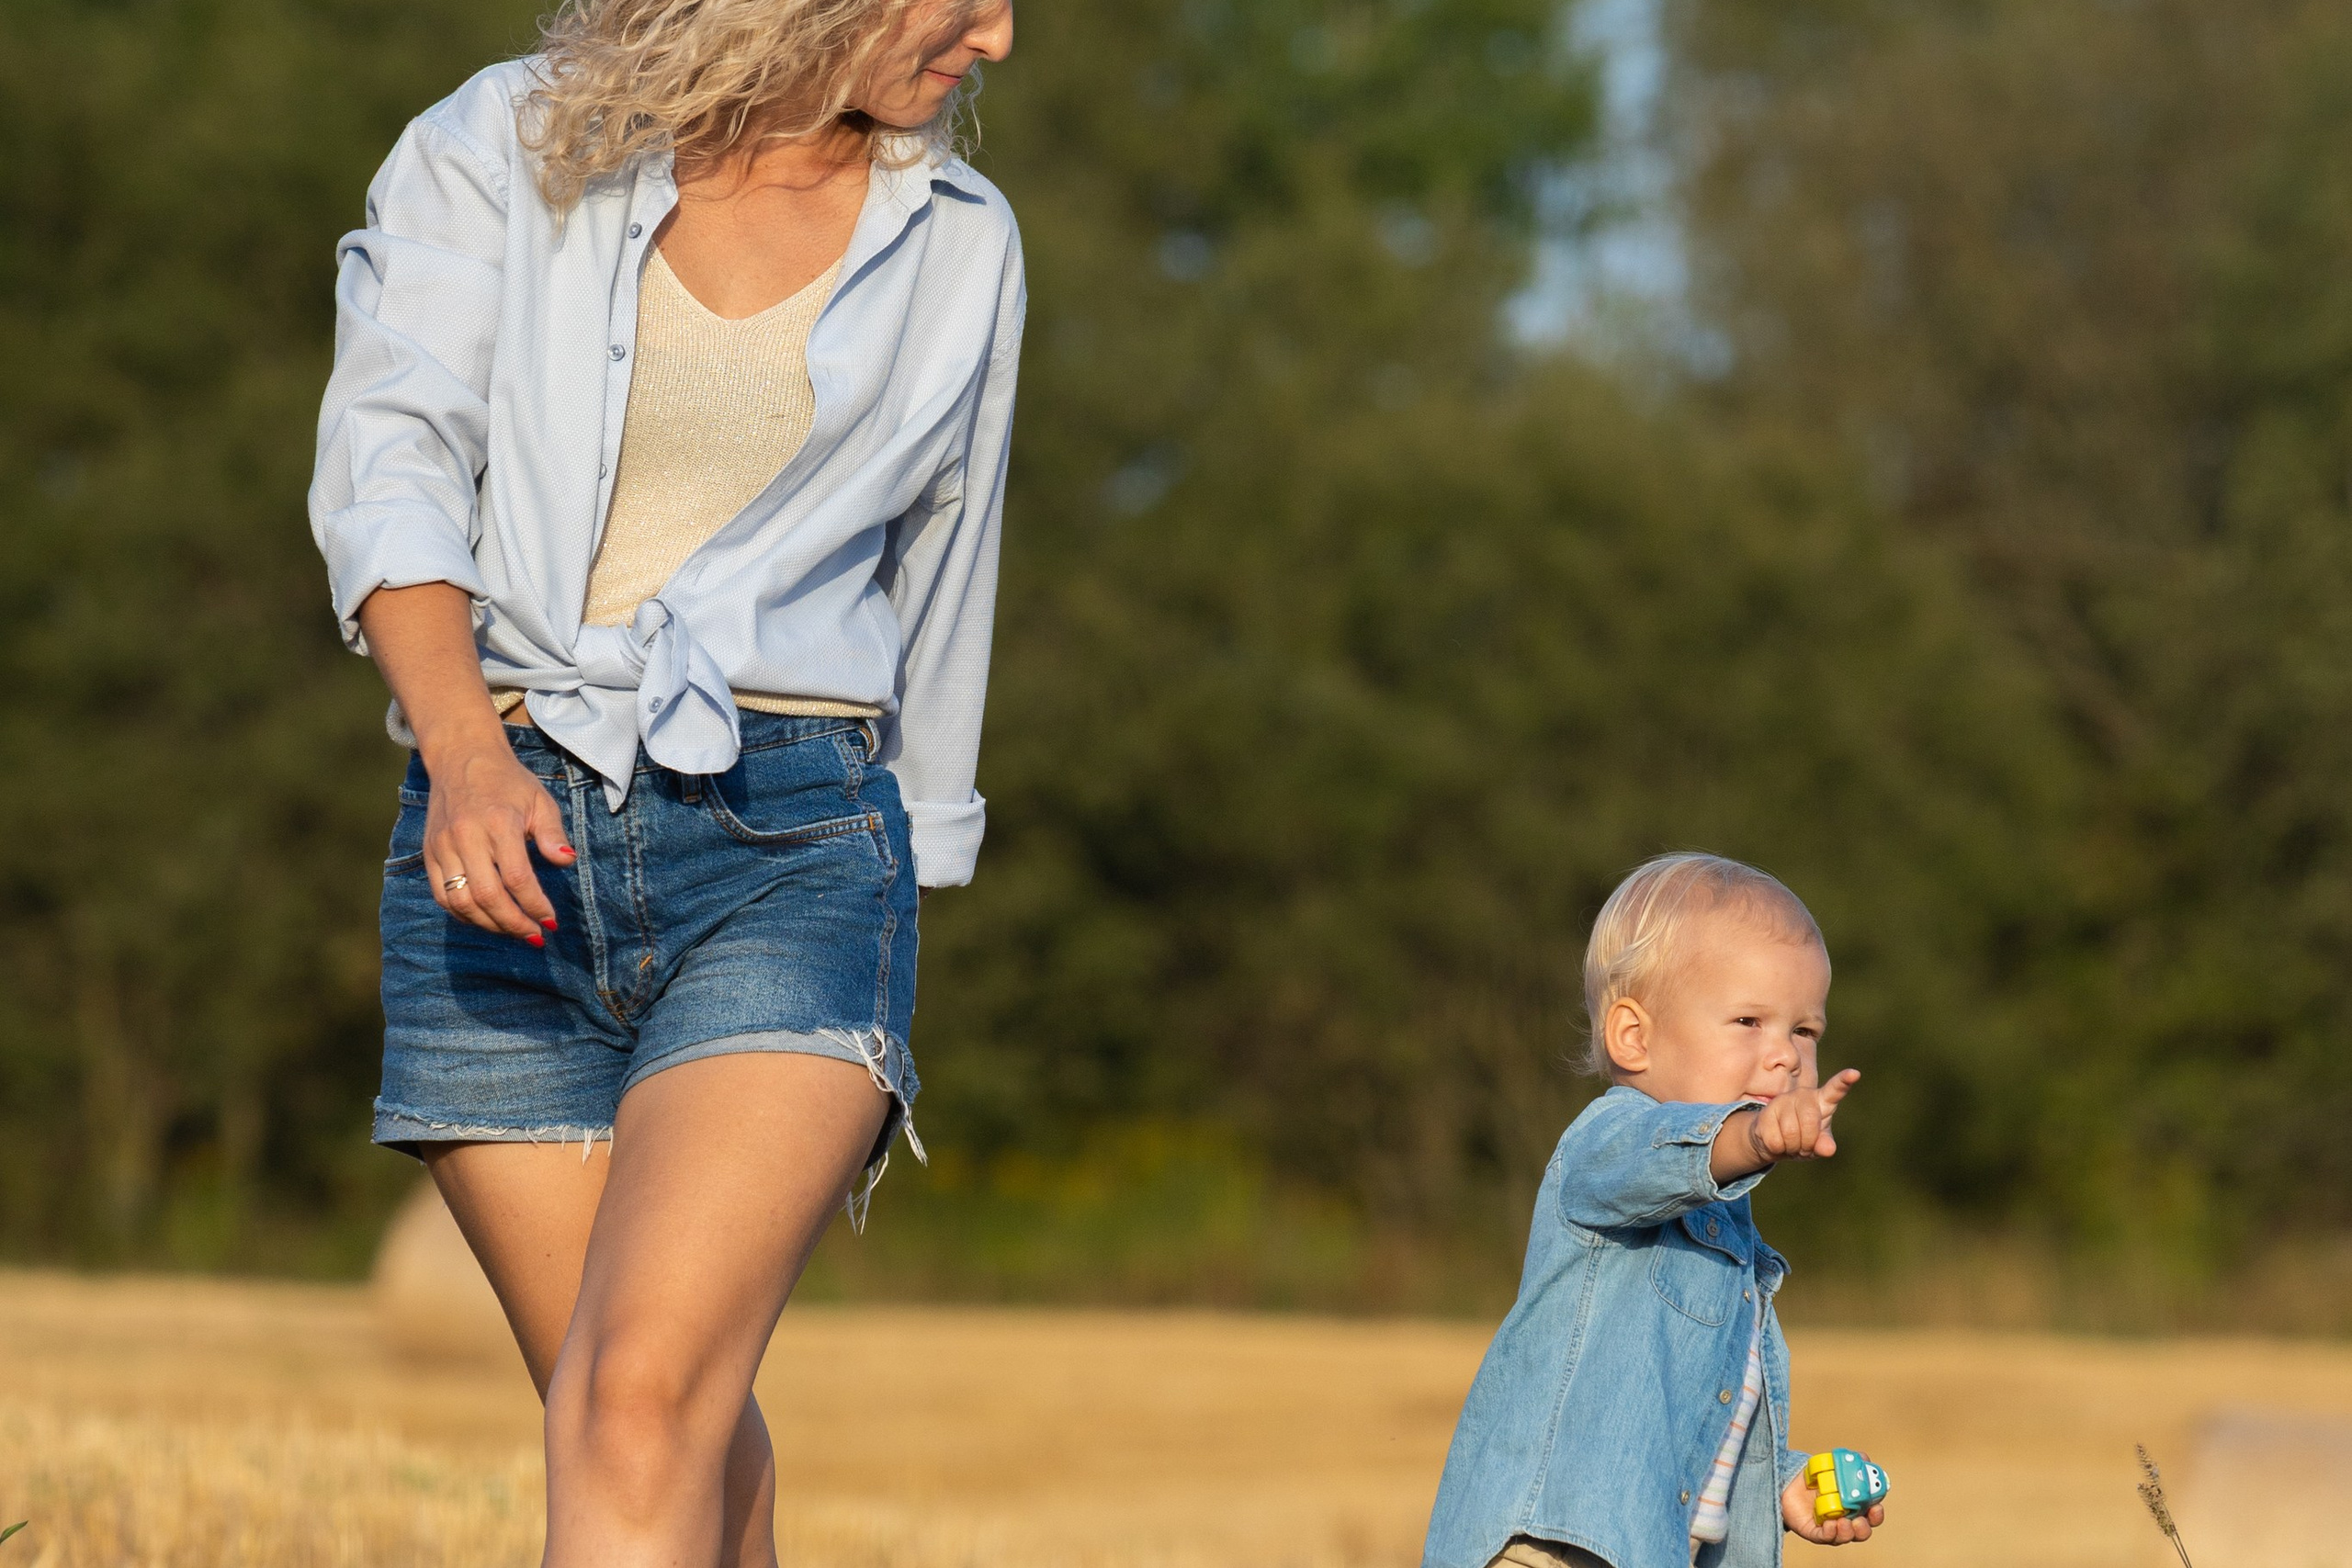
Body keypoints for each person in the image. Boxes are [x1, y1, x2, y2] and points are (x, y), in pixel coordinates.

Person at [305, 0, 1021, 1561]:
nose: (1001, 37)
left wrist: (923, 862)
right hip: (498, 837)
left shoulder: (962, 237)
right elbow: (390, 464)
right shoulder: (502, 143)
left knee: (635, 1402)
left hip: (793, 839)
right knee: (659, 1429)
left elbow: (949, 570)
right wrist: (465, 751)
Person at [1420, 853, 1888, 1568]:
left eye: (1804, 1030)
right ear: (1633, 1037)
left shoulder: (1731, 1236)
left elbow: (1692, 1413)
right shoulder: (1607, 1143)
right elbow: (1671, 1156)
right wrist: (1754, 1134)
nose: (1786, 1057)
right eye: (1748, 1019)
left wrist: (1781, 1485)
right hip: (1556, 1546)